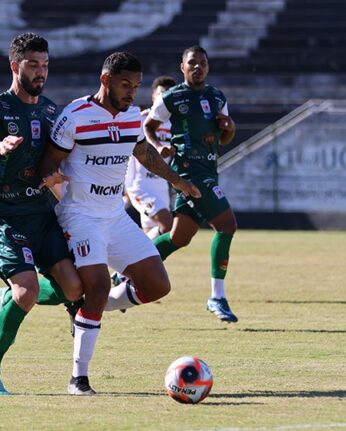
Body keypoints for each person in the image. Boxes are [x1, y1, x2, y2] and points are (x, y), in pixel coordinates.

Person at [41, 52, 200, 395]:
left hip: (114, 215)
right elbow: (48, 162)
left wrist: (178, 181)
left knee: (158, 285)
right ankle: (78, 378)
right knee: (95, 285)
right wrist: (53, 185)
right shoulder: (75, 115)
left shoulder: (131, 117)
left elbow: (144, 154)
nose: (131, 93)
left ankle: (86, 308)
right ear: (105, 80)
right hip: (80, 215)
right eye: (125, 85)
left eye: (137, 86)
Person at [0, 33, 82, 396]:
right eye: (33, 65)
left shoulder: (50, 111)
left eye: (45, 65)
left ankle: (8, 295)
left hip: (42, 213)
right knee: (28, 291)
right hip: (6, 214)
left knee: (74, 288)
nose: (41, 72)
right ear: (15, 66)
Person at [144, 46, 239, 323]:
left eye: (202, 63)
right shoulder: (172, 97)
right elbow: (148, 126)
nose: (198, 67)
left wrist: (230, 128)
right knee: (227, 225)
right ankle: (217, 296)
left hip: (210, 169)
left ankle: (129, 267)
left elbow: (223, 139)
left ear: (208, 68)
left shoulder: (217, 96)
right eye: (192, 63)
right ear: (182, 67)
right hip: (189, 173)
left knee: (178, 238)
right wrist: (158, 145)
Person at [125, 75, 177, 239]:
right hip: (139, 185)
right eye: (161, 94)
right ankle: (135, 256)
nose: (164, 98)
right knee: (168, 225)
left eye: (168, 95)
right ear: (153, 96)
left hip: (161, 185)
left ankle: (140, 261)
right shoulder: (141, 120)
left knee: (153, 234)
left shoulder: (176, 125)